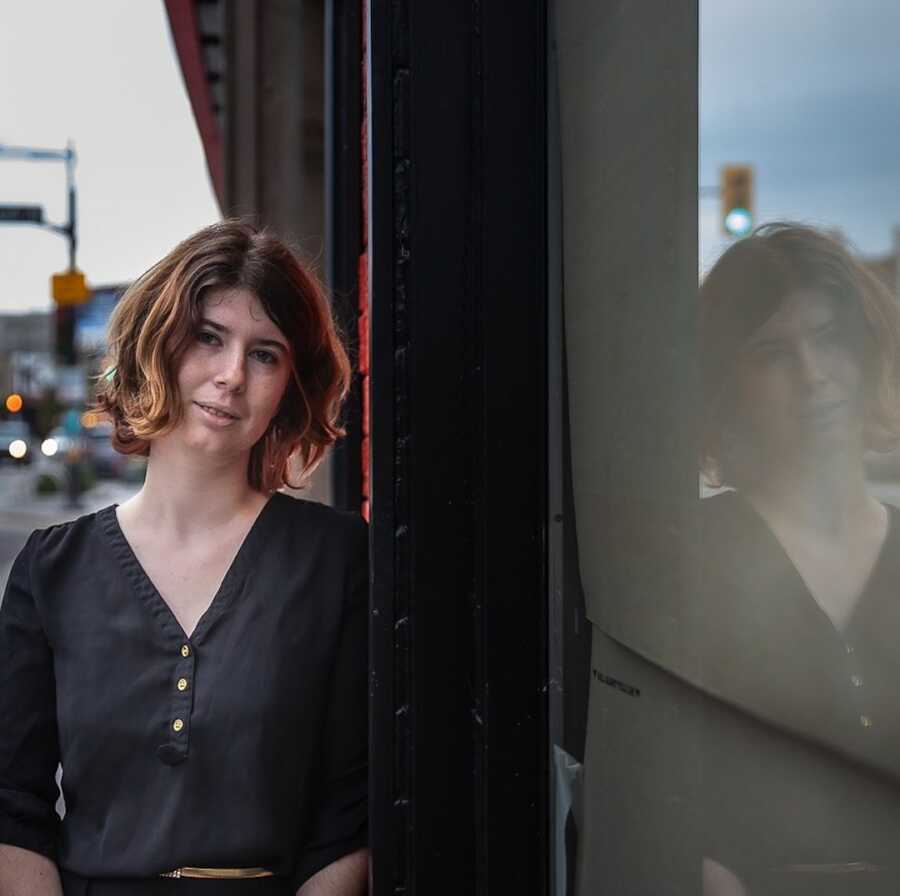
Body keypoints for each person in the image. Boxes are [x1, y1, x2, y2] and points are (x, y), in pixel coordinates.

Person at [0, 220, 369, 896]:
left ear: (290, 382)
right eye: (208, 337)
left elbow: (350, 819)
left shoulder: (337, 560)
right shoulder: (51, 570)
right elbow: (12, 813)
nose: (231, 376)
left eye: (265, 355)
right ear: (156, 346)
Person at [692, 222, 900, 893]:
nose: (814, 377)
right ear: (728, 382)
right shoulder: (682, 561)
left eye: (829, 338)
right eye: (774, 354)